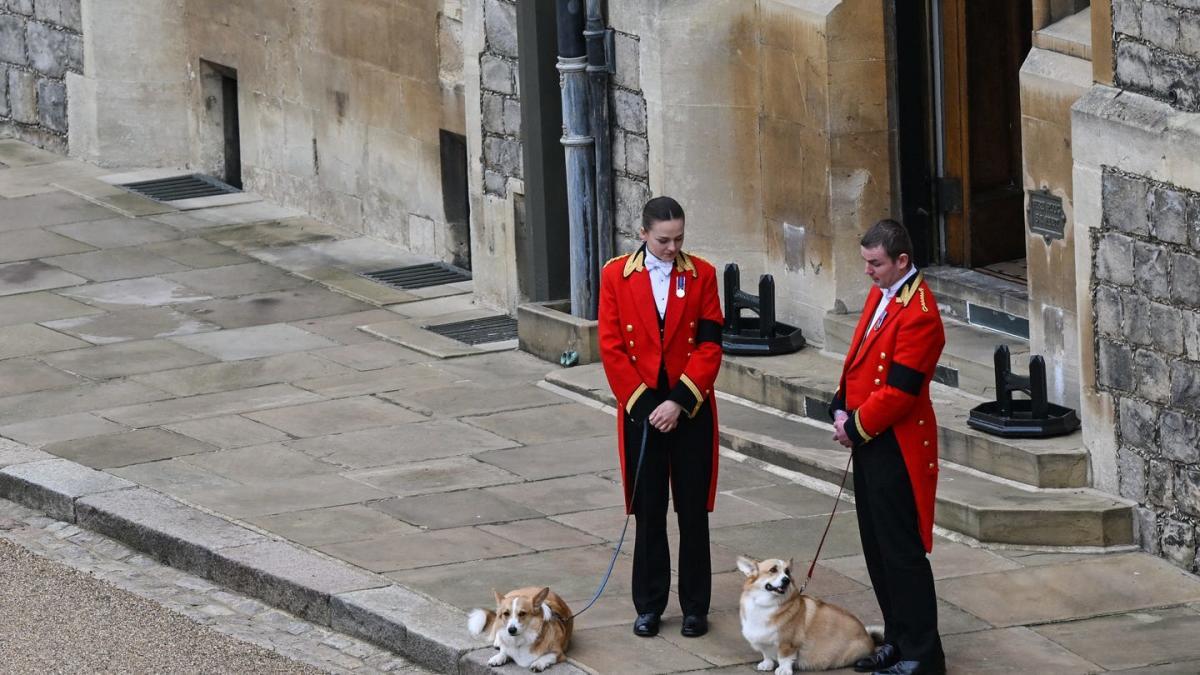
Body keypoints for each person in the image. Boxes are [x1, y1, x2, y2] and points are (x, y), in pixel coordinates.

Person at [597, 196, 724, 639]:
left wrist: (679, 402)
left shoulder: (702, 274)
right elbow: (611, 348)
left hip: (688, 408)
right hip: (642, 411)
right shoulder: (615, 274)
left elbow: (710, 345)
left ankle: (694, 607)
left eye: (680, 239)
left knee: (693, 513)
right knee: (649, 511)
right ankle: (649, 605)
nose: (673, 248)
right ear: (644, 234)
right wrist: (648, 406)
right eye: (665, 240)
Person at [829, 219, 947, 675]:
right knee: (877, 547)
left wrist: (853, 427)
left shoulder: (919, 311)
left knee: (901, 552)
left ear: (901, 260)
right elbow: (859, 359)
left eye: (875, 263)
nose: (867, 272)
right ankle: (898, 639)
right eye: (865, 262)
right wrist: (841, 406)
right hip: (871, 438)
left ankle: (923, 653)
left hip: (896, 445)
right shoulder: (884, 293)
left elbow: (900, 392)